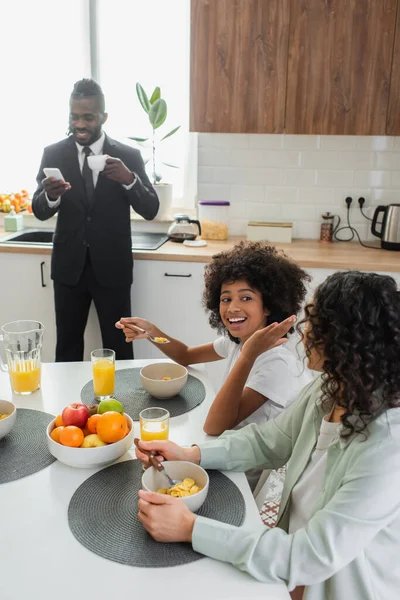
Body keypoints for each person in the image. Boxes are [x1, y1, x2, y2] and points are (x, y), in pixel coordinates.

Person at [135, 271, 400, 600]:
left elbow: (307, 557)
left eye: (314, 321)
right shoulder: (331, 388)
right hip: (291, 567)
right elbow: (268, 441)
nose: (302, 333)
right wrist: (190, 454)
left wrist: (191, 529)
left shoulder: (388, 447)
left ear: (349, 338)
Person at [116, 241, 313, 488]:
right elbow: (186, 355)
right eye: (225, 298)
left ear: (269, 306)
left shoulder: (276, 362)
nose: (232, 308)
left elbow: (216, 424)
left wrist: (247, 355)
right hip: (224, 446)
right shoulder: (239, 340)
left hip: (241, 472)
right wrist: (153, 332)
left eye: (246, 297)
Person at [32, 79, 159, 362]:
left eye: (88, 117)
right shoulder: (54, 154)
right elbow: (39, 210)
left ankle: (124, 403)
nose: (80, 124)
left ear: (103, 117)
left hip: (112, 268)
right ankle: (66, 406)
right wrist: (51, 196)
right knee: (66, 346)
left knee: (120, 345)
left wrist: (129, 180)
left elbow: (151, 209)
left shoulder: (128, 156)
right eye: (74, 117)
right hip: (68, 268)